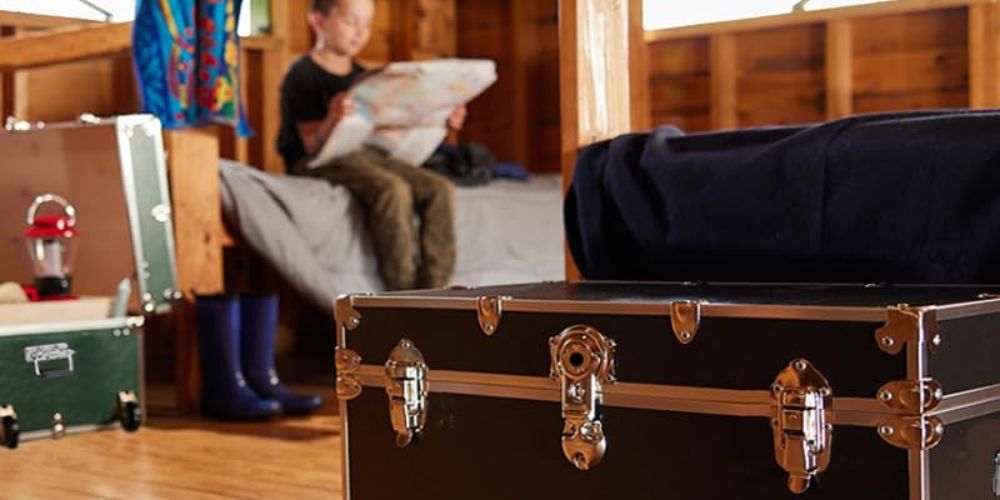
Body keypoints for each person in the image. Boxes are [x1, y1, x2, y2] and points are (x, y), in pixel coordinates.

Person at [277, 0, 466, 290]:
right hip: (321, 159)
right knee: (392, 190)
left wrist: (440, 121)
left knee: (440, 189)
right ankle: (404, 292)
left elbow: (386, 138)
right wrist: (332, 117)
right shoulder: (302, 74)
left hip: (367, 154)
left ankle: (437, 293)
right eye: (351, 22)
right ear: (318, 21)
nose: (360, 33)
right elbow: (311, 147)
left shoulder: (367, 78)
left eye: (366, 25)